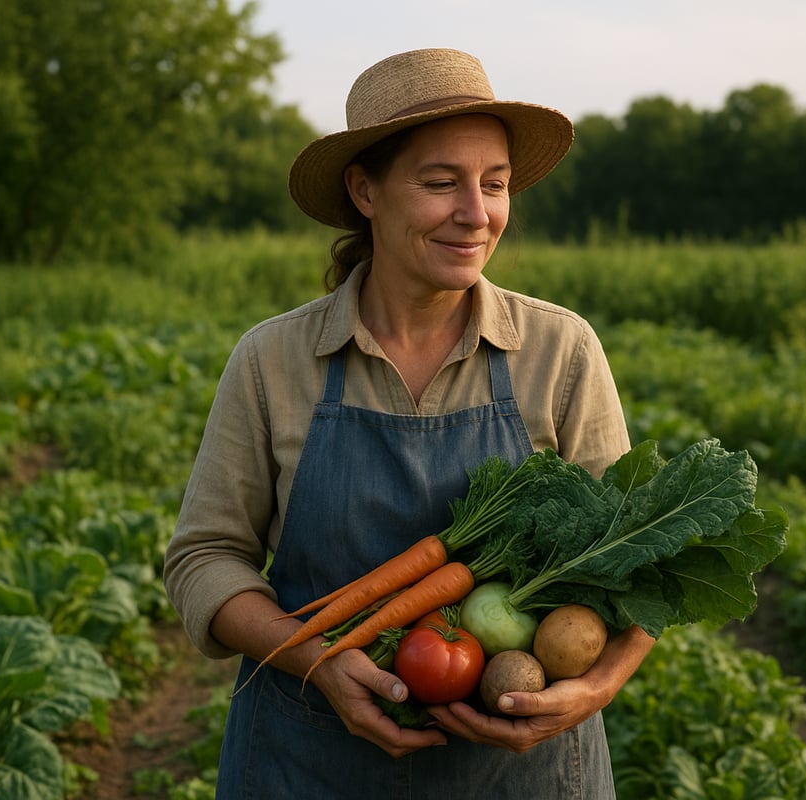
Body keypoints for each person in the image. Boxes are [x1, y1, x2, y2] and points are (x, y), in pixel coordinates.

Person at [164, 48, 656, 799]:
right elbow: (205, 558)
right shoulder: (273, 360)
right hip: (310, 760)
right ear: (365, 191)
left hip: (521, 773)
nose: (476, 213)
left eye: (494, 184)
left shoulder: (559, 350)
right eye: (440, 183)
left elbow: (638, 556)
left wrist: (596, 688)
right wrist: (316, 659)